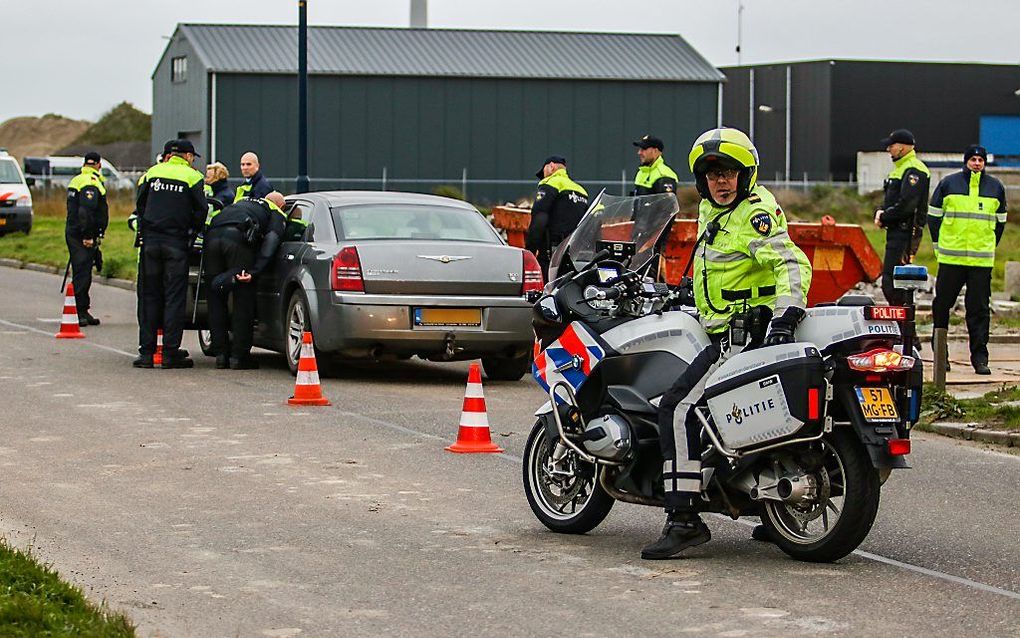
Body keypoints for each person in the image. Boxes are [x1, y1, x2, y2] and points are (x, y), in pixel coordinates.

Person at [642, 127, 812, 560]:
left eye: (730, 173)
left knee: (677, 408)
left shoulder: (754, 213)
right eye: (713, 173)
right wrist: (684, 292)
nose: (722, 181)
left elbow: (790, 262)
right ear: (702, 181)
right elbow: (713, 262)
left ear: (746, 175)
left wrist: (786, 317)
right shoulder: (712, 211)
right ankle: (771, 513)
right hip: (721, 323)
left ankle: (683, 519)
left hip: (742, 334)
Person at [928, 145, 1008, 376]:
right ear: (966, 161)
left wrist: (988, 246)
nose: (976, 163)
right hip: (951, 259)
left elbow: (1000, 223)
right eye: (972, 159)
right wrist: (938, 248)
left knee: (979, 311)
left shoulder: (995, 187)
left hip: (980, 263)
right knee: (941, 307)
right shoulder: (948, 184)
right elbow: (933, 219)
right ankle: (941, 357)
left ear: (985, 163)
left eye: (980, 160)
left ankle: (980, 359)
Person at [133, 139, 207, 369]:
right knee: (174, 298)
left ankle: (146, 353)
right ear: (186, 156)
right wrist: (191, 233)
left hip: (151, 244)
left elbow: (140, 204)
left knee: (149, 296)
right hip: (176, 244)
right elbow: (201, 210)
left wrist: (147, 229)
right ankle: (170, 352)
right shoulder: (193, 177)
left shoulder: (151, 173)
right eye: (193, 156)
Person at [203, 192, 287, 369]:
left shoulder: (240, 203)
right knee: (243, 297)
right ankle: (239, 356)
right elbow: (272, 239)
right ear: (281, 206)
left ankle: (220, 354)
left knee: (215, 295)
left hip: (212, 236)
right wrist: (255, 271)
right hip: (237, 239)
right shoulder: (275, 211)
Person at [874, 129, 930, 305]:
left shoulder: (915, 170)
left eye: (891, 146)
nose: (888, 149)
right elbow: (891, 200)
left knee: (895, 283)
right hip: (896, 231)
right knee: (892, 280)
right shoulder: (899, 169)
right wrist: (880, 211)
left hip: (906, 232)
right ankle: (901, 326)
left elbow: (907, 205)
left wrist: (884, 217)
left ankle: (905, 328)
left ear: (902, 147)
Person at [525, 155, 589, 278]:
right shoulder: (581, 190)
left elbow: (540, 218)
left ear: (551, 166)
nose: (543, 176)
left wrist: (530, 251)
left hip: (552, 252)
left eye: (543, 171)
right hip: (574, 252)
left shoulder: (550, 183)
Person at [65, 151, 109, 326]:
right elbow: (85, 212)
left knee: (83, 271)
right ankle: (79, 311)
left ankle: (83, 308)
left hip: (75, 232)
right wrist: (88, 236)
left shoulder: (77, 179)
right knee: (82, 273)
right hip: (82, 235)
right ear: (98, 165)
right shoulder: (90, 182)